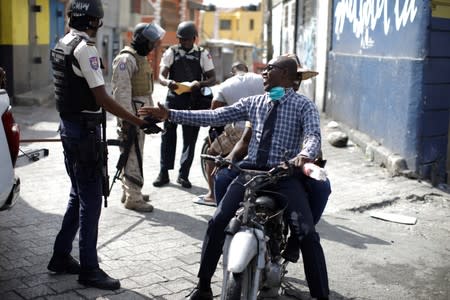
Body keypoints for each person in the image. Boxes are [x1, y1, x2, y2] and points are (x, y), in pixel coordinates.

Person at [139, 56, 330, 300]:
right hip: (250, 174)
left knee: (307, 234)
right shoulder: (255, 103)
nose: (263, 72)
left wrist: (304, 155)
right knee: (218, 221)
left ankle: (321, 295)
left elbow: (313, 135)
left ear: (284, 74)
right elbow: (214, 117)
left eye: (269, 69)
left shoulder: (304, 105)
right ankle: (204, 286)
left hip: (283, 177)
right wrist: (170, 114)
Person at [47, 0, 159, 291]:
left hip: (70, 128)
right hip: (83, 133)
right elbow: (102, 97)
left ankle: (60, 257)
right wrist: (135, 120)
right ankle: (90, 269)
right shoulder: (85, 49)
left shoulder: (62, 44)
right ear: (93, 21)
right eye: (98, 20)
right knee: (92, 201)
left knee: (78, 194)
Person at [153, 21, 216, 189]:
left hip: (192, 101)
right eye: (181, 39)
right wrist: (168, 82)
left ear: (194, 39)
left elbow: (212, 78)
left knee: (190, 139)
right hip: (173, 99)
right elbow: (161, 75)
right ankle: (164, 172)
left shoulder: (203, 54)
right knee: (168, 136)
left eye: (187, 40)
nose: (184, 43)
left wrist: (199, 84)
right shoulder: (171, 52)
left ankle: (184, 174)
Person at [111, 22, 165, 212]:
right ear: (142, 40)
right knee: (132, 153)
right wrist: (127, 120)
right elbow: (121, 94)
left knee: (135, 153)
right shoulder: (126, 59)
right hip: (131, 116)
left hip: (138, 114)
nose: (153, 46)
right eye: (151, 42)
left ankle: (130, 192)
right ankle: (133, 197)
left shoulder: (139, 58)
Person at [194, 61, 264, 206]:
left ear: (233, 72)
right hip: (264, 129)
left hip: (239, 130)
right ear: (247, 69)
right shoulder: (261, 79)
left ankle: (212, 195)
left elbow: (215, 114)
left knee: (211, 153)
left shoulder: (226, 84)